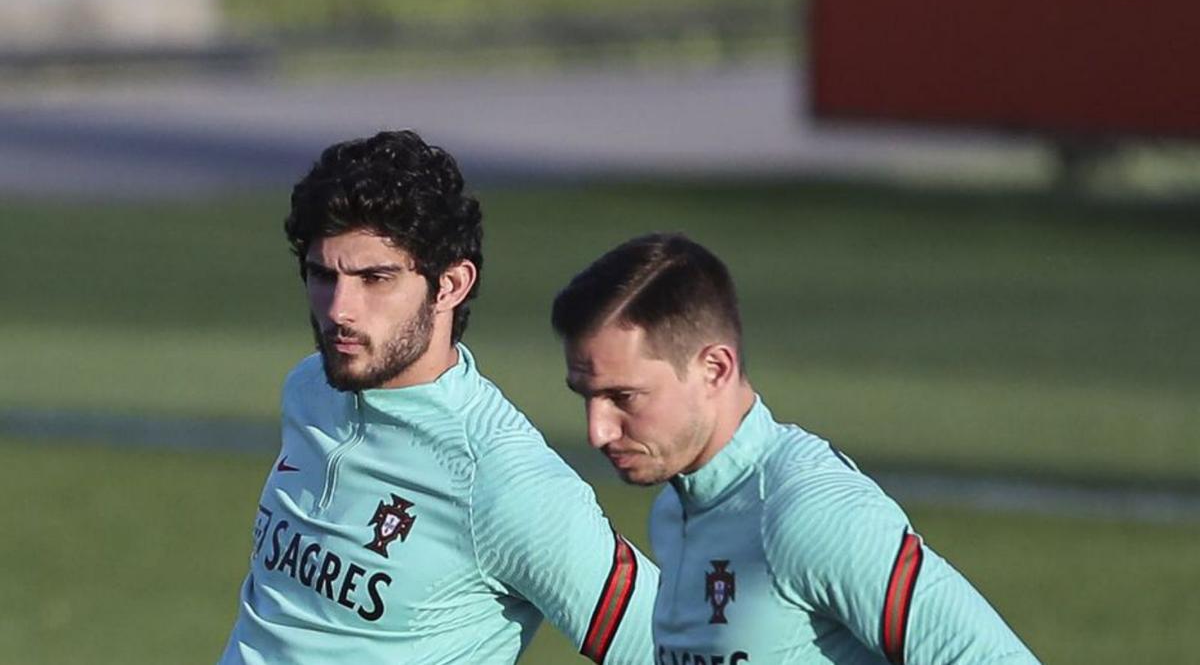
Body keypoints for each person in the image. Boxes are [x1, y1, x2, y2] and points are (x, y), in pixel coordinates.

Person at [220, 130, 657, 664]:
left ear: (450, 285)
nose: (339, 310)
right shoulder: (310, 390)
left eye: (375, 278)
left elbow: (671, 646)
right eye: (322, 275)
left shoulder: (502, 479)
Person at [551, 233, 1038, 664]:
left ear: (715, 369)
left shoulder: (809, 512)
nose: (598, 431)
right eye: (587, 398)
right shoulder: (675, 510)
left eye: (623, 397)